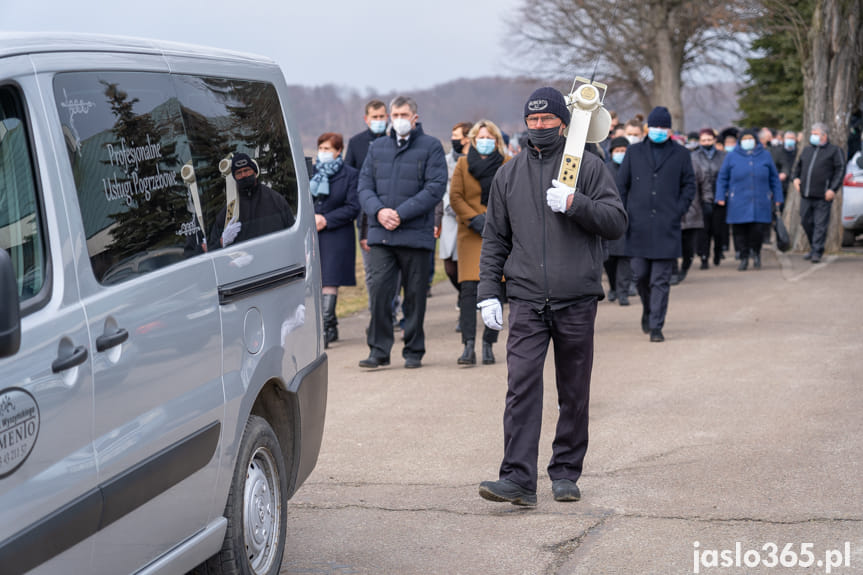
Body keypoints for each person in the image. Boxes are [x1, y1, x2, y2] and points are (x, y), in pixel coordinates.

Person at [476, 87, 627, 506]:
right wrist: (489, 292)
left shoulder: (590, 168)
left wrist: (575, 203)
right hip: (526, 300)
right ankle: (518, 479)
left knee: (573, 390)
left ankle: (565, 471)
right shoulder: (508, 175)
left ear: (564, 122)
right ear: (526, 123)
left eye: (547, 120)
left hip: (575, 299)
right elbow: (495, 241)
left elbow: (616, 221)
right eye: (533, 120)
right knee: (521, 387)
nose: (540, 127)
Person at [357, 96, 447, 369]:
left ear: (414, 117)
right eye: (394, 114)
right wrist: (379, 211)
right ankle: (378, 350)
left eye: (403, 114)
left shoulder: (431, 147)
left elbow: (435, 187)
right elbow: (364, 186)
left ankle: (413, 350)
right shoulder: (377, 148)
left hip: (415, 234)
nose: (397, 119)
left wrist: (401, 213)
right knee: (380, 294)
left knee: (415, 297)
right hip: (382, 234)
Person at [616, 106, 695, 343]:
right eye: (655, 127)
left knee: (660, 279)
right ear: (648, 128)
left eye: (664, 127)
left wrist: (678, 210)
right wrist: (625, 212)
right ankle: (648, 308)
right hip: (638, 225)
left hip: (666, 225)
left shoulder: (681, 154)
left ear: (669, 129)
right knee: (640, 275)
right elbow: (622, 185)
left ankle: (657, 325)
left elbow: (689, 185)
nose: (659, 131)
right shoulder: (634, 152)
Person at [449, 119, 509, 365]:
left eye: (489, 138)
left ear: (496, 141)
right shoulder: (462, 164)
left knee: (496, 289)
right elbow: (456, 196)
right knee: (469, 292)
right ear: (473, 140)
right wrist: (473, 219)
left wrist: (494, 221)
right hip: (470, 233)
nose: (485, 142)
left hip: (497, 233)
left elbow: (511, 195)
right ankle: (468, 345)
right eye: (480, 138)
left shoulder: (506, 163)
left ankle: (488, 344)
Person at [311, 133, 360, 347]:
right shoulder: (311, 172)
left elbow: (353, 206)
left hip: (337, 233)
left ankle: (324, 328)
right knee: (316, 280)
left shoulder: (350, 174)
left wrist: (326, 219)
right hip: (313, 234)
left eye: (328, 148)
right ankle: (331, 326)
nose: (324, 152)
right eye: (321, 147)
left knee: (329, 280)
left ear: (339, 151)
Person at [715, 129, 783, 271]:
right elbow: (722, 178)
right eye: (744, 139)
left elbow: (774, 178)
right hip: (738, 200)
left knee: (757, 231)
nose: (747, 141)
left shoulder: (765, 155)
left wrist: (778, 197)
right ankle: (744, 256)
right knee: (740, 231)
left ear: (756, 140)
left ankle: (756, 253)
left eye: (750, 138)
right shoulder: (732, 156)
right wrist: (720, 196)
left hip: (759, 200)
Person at [208, 152, 295, 249]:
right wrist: (222, 242)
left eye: (247, 170)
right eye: (239, 173)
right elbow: (212, 250)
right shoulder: (229, 211)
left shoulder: (275, 200)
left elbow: (293, 232)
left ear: (254, 171)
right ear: (234, 177)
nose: (244, 175)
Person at [792, 122, 846, 263]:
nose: (813, 136)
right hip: (806, 194)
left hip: (823, 195)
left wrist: (832, 189)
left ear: (824, 136)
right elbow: (798, 167)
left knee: (820, 224)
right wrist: (796, 179)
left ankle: (817, 251)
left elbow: (840, 170)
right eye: (812, 134)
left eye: (816, 134)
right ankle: (813, 246)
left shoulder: (834, 151)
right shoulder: (807, 150)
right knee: (806, 221)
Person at [691, 128, 726, 268]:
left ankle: (718, 252)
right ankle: (704, 256)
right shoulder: (694, 157)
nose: (706, 142)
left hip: (719, 197)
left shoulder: (723, 156)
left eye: (709, 140)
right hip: (700, 198)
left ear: (714, 140)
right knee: (703, 230)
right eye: (704, 140)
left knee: (718, 229)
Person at [603, 136, 632, 305]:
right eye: (617, 151)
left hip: (628, 217)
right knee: (610, 259)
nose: (620, 154)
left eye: (623, 151)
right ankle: (613, 287)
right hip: (608, 217)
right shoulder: (605, 169)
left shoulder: (634, 169)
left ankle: (623, 291)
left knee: (624, 258)